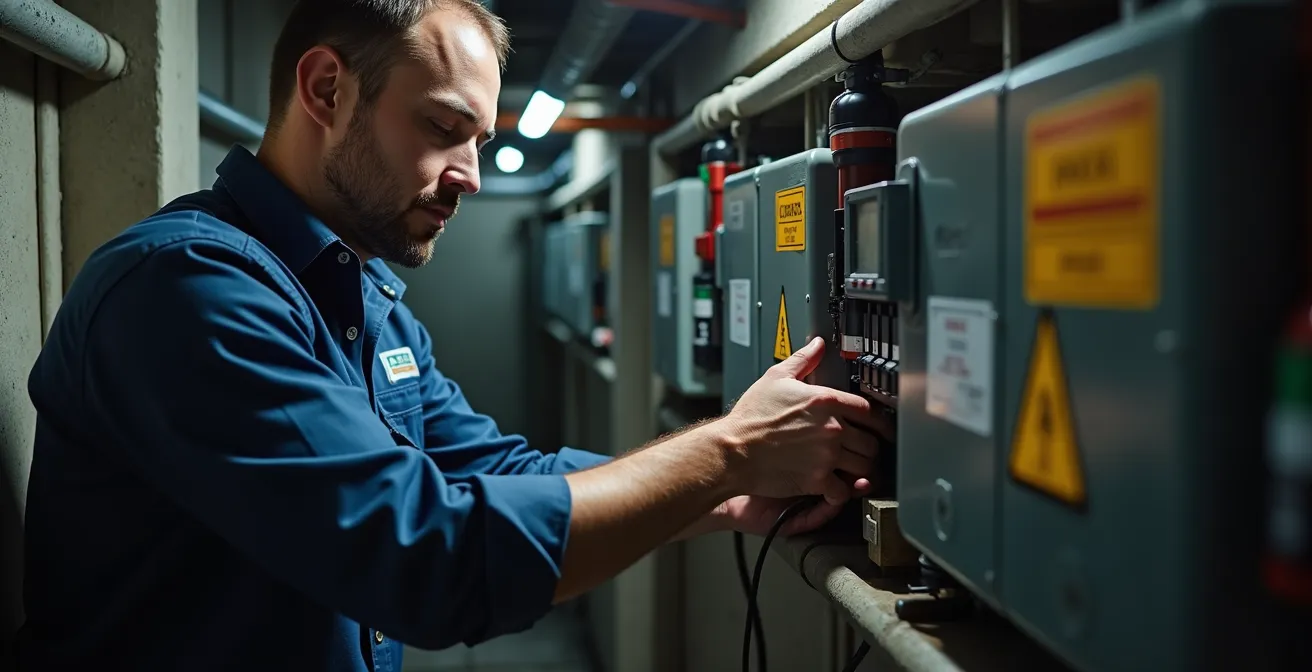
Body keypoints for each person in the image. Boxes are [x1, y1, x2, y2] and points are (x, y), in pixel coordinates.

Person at [15, 1, 879, 670]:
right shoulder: (187, 289)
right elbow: (423, 554)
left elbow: (492, 469)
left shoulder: (367, 298)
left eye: (480, 137)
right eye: (442, 126)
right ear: (326, 90)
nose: (469, 173)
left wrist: (716, 497)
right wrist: (723, 452)